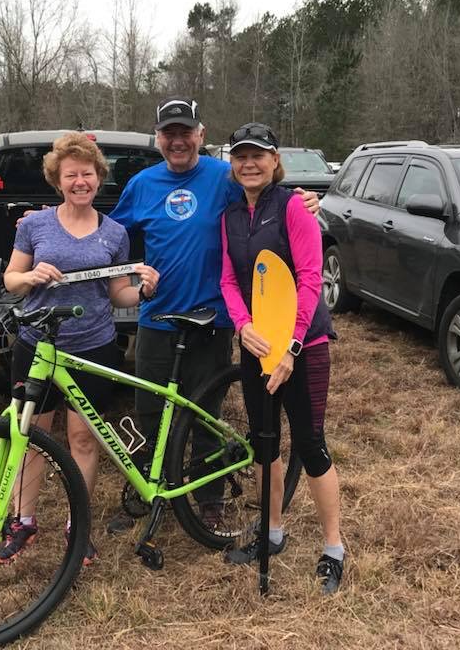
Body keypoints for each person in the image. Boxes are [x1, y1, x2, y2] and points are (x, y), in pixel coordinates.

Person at [106, 97, 321, 534]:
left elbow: (268, 197)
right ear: (157, 138)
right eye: (169, 133)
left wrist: (307, 201)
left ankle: (210, 499)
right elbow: (109, 234)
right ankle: (156, 488)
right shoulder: (142, 184)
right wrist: (51, 222)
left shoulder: (224, 176)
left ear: (200, 135)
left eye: (186, 132)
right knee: (151, 410)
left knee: (205, 411)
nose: (178, 140)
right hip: (157, 318)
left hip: (212, 319)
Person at [0, 132, 159, 565]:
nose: (80, 182)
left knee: (83, 439)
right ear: (57, 180)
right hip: (37, 345)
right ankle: (24, 522)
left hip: (93, 346)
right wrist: (30, 277)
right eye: (71, 175)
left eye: (87, 173)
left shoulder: (115, 233)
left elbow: (118, 294)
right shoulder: (35, 225)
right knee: (31, 436)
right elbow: (11, 279)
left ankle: (78, 527)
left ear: (98, 177)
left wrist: (143, 291)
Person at [219, 122, 344, 594]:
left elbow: (310, 278)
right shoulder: (230, 216)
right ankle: (271, 532)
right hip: (257, 345)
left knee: (310, 445)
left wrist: (292, 345)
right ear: (233, 165)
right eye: (241, 156)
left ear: (275, 161)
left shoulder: (293, 207)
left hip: (303, 347)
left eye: (258, 155)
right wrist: (242, 325)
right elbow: (229, 280)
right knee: (264, 442)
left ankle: (334, 548)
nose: (249, 164)